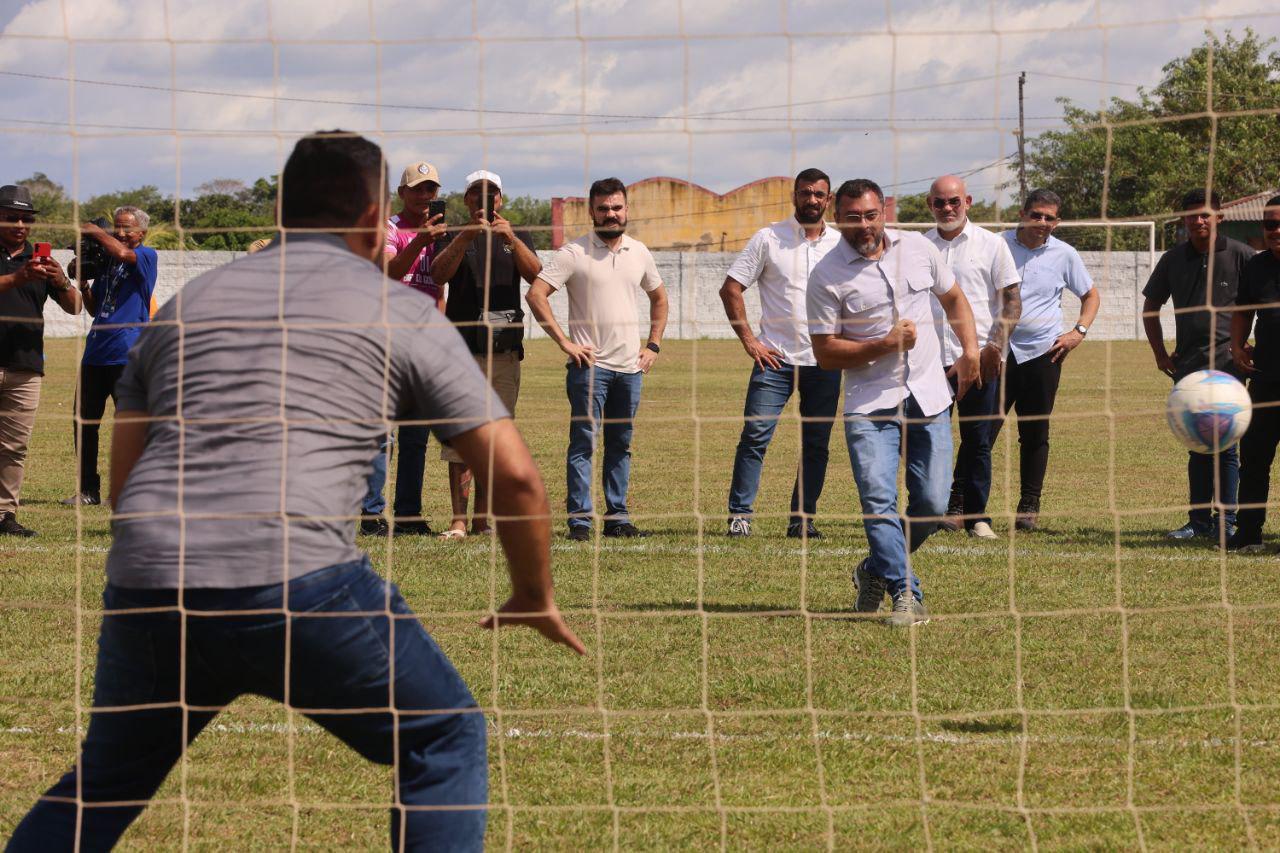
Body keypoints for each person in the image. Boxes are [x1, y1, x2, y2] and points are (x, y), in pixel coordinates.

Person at [5, 131, 584, 853]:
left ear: (279, 211)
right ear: (374, 220)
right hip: (296, 578)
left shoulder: (187, 306)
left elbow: (126, 483)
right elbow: (517, 476)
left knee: (104, 783)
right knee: (443, 734)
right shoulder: (397, 310)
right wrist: (532, 593)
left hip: (153, 579)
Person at [807, 178, 979, 627]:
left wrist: (970, 351)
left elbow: (954, 298)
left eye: (870, 215)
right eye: (852, 218)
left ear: (883, 211)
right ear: (835, 217)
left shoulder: (919, 249)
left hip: (928, 397)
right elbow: (825, 353)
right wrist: (884, 345)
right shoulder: (825, 276)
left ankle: (873, 567)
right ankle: (907, 594)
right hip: (870, 406)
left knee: (933, 503)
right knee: (878, 501)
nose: (864, 225)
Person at [525, 177, 669, 541]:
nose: (611, 214)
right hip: (590, 369)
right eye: (603, 209)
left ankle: (617, 517)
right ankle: (580, 521)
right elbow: (536, 295)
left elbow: (659, 298)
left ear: (627, 209)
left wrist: (653, 345)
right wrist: (565, 342)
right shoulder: (574, 253)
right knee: (584, 444)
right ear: (591, 212)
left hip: (630, 369)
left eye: (616, 207)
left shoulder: (639, 252)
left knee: (621, 444)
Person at [719, 167, 842, 540]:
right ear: (794, 196)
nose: (812, 200)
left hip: (824, 360)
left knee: (816, 443)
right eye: (805, 192)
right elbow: (731, 288)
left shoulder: (841, 244)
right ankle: (740, 516)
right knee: (755, 435)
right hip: (775, 360)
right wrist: (750, 341)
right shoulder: (768, 238)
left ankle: (802, 519)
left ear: (828, 199)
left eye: (819, 194)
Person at [432, 170, 541, 540]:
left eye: (491, 194)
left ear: (501, 199)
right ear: (466, 200)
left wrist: (510, 238)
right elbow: (438, 275)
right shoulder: (452, 234)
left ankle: (482, 519)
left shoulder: (516, 234)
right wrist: (466, 236)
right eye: (476, 195)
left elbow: (536, 275)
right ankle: (458, 521)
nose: (484, 201)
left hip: (505, 353)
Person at [1143, 189, 1253, 540]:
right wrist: (1160, 354)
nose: (1199, 220)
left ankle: (1227, 520)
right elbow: (1151, 308)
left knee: (1227, 446)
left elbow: (1263, 303)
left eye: (1205, 214)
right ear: (1184, 219)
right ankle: (1199, 521)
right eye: (1192, 215)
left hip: (1229, 367)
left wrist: (1248, 346)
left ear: (1219, 217)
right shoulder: (1173, 259)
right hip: (1188, 367)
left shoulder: (1242, 256)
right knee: (1198, 444)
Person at [988, 189, 1100, 531]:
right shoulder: (995, 245)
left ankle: (1028, 508)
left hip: (1043, 353)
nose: (1042, 222)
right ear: (1022, 214)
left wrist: (1078, 331)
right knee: (983, 430)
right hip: (997, 352)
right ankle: (960, 503)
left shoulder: (1064, 254)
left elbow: (1091, 295)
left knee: (1035, 432)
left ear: (1057, 222)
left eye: (1049, 217)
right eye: (1036, 215)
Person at [925, 175, 1021, 540]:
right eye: (939, 202)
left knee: (978, 440)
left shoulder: (992, 245)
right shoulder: (919, 247)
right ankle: (929, 512)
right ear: (930, 205)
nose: (947, 208)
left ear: (967, 202)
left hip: (979, 358)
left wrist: (994, 346)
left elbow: (1012, 301)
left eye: (954, 201)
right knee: (929, 440)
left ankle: (977, 517)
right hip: (931, 361)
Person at [372, 161, 450, 536]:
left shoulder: (441, 233)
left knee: (416, 437)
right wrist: (419, 240)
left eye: (430, 189)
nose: (424, 196)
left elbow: (439, 287)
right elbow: (388, 272)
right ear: (401, 193)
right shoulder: (389, 229)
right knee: (381, 435)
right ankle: (371, 514)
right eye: (417, 189)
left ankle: (407, 515)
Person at [63, 206, 159, 507]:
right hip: (95, 353)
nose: (120, 232)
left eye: (127, 228)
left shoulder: (145, 256)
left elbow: (123, 253)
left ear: (141, 232)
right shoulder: (107, 262)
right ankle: (88, 491)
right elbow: (95, 309)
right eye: (116, 227)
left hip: (127, 354)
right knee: (84, 423)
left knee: (129, 426)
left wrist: (95, 232)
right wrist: (84, 284)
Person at [0, 184, 81, 537]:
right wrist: (17, 278)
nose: (20, 225)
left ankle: (4, 515)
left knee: (14, 447)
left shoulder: (40, 260)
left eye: (26, 219)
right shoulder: (23, 269)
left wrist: (61, 281)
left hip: (25, 366)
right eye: (11, 217)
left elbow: (76, 307)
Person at [1227, 195, 1280, 553]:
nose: (1276, 231)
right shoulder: (1257, 266)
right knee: (1254, 458)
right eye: (1270, 224)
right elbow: (1243, 311)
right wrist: (1236, 345)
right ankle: (1247, 533)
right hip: (1265, 378)